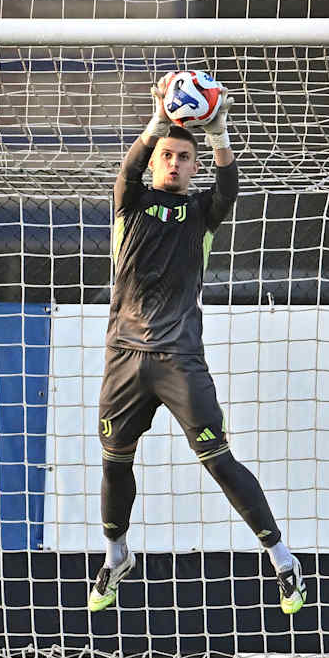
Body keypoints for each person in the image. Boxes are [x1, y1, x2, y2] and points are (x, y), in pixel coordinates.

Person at [90, 77, 307, 616]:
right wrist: (157, 120)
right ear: (155, 160)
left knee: (219, 460)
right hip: (124, 358)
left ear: (194, 167)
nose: (174, 163)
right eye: (167, 155)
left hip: (179, 360)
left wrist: (218, 132)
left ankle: (283, 560)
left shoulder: (202, 213)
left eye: (184, 158)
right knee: (115, 463)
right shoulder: (131, 203)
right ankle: (116, 555)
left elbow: (228, 185)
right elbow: (126, 171)